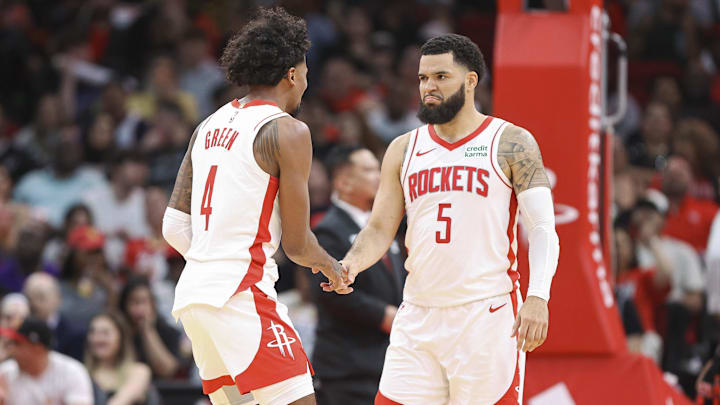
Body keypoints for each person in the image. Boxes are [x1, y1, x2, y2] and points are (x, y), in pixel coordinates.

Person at [337, 34, 560, 404]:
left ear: (471, 81)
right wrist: (352, 265)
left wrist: (538, 296)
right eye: (423, 78)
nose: (429, 87)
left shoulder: (510, 142)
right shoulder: (403, 148)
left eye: (441, 76)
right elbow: (379, 227)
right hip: (418, 314)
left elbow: (541, 228)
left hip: (484, 314)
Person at [161, 8, 349, 405]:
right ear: (293, 75)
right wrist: (331, 264)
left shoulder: (208, 125)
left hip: (195, 297)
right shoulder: (287, 130)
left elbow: (174, 226)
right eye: (306, 74)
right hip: (241, 293)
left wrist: (212, 261)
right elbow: (298, 245)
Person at [310, 145, 406, 405]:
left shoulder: (383, 226)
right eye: (369, 170)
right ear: (343, 181)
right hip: (347, 366)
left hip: (383, 360)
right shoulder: (328, 230)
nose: (379, 176)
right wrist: (383, 314)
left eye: (378, 169)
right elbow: (327, 292)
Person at [0, 318, 94, 405]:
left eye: (17, 344)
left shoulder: (72, 372)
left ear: (37, 348)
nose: (12, 349)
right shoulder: (5, 372)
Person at [118, 277, 180, 379]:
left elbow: (168, 370)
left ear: (153, 304)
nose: (140, 309)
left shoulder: (169, 332)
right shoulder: (117, 331)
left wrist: (148, 330)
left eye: (144, 302)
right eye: (134, 302)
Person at [85, 312, 152, 405]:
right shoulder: (82, 373)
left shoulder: (139, 371)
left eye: (105, 333)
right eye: (93, 332)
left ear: (121, 337)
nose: (97, 338)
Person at [23, 272, 86, 361]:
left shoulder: (73, 334)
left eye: (40, 297)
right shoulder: (19, 329)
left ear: (58, 299)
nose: (34, 303)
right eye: (29, 298)